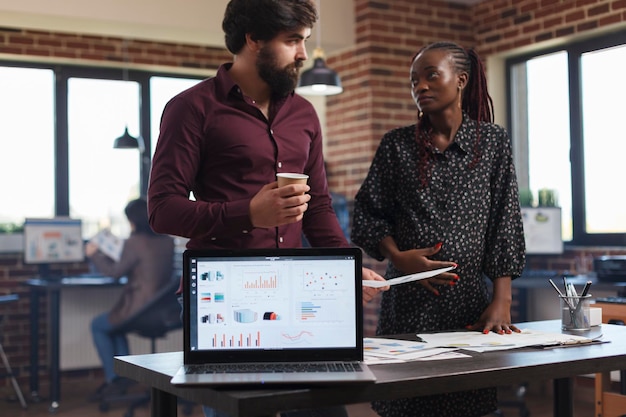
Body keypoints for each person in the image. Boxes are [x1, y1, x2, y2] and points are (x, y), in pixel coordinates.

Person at [147, 1, 388, 416]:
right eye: (292, 41)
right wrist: (248, 213)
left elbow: (318, 208)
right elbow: (162, 210)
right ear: (253, 39)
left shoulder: (305, 114)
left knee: (324, 410)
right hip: (221, 295)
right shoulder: (191, 108)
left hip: (296, 293)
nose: (303, 55)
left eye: (305, 42)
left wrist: (344, 267)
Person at [351, 41, 526, 417]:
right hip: (406, 307)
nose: (421, 86)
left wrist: (503, 299)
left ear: (461, 79)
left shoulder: (493, 143)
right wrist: (398, 256)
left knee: (468, 404)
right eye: (414, 80)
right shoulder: (396, 146)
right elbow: (366, 215)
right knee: (405, 406)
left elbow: (504, 222)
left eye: (432, 75)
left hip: (469, 308)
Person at [85, 198, 175, 400]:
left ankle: (114, 380)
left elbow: (114, 272)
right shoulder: (167, 241)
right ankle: (123, 375)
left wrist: (94, 255)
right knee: (114, 328)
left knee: (99, 326)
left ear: (133, 221)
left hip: (139, 311)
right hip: (162, 312)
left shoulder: (135, 242)